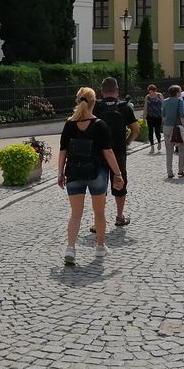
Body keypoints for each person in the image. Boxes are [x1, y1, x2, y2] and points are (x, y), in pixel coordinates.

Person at [57, 87, 125, 266]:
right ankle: (100, 247)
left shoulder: (69, 124)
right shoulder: (99, 125)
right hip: (97, 173)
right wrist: (118, 174)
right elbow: (108, 152)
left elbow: (63, 151)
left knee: (75, 214)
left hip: (74, 172)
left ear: (77, 101)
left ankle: (70, 248)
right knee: (99, 213)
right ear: (94, 103)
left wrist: (60, 172)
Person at [93, 77, 139, 228]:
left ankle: (98, 221)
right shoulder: (124, 107)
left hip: (99, 152)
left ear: (101, 91)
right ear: (117, 90)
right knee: (119, 182)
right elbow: (135, 130)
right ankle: (119, 216)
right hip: (118, 152)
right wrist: (127, 142)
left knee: (99, 186)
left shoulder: (96, 107)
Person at [162, 84, 184, 179]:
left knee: (169, 150)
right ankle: (181, 170)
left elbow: (163, 117)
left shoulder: (165, 101)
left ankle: (169, 172)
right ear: (177, 93)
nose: (180, 93)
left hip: (167, 126)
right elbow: (181, 115)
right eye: (180, 91)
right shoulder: (180, 101)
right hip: (177, 127)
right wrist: (183, 126)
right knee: (182, 149)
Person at [143, 85, 164, 153]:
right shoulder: (147, 97)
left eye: (151, 91)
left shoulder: (159, 95)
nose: (150, 93)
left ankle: (159, 142)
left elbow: (163, 106)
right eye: (149, 91)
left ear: (154, 91)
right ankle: (152, 146)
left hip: (158, 116)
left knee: (157, 131)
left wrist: (164, 115)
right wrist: (144, 117)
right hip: (150, 116)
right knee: (150, 132)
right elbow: (145, 107)